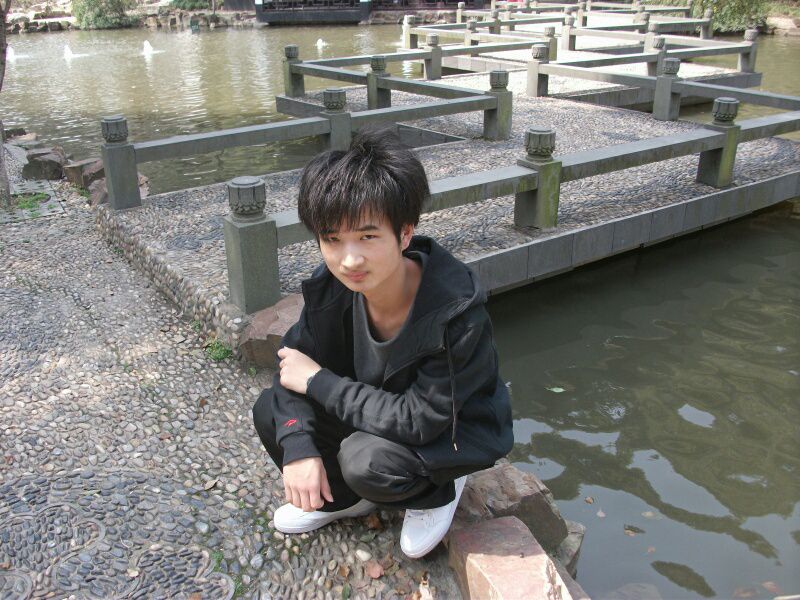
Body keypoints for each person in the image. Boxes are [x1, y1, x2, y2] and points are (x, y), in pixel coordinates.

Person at [252, 127, 513, 559]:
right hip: (376, 409)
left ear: (404, 234)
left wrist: (318, 381)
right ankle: (344, 500)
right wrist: (298, 447)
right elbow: (290, 369)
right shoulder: (332, 288)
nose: (349, 260)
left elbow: (420, 420)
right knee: (271, 411)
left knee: (365, 461)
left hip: (449, 431)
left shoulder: (455, 313)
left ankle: (436, 494)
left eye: (367, 237)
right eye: (332, 239)